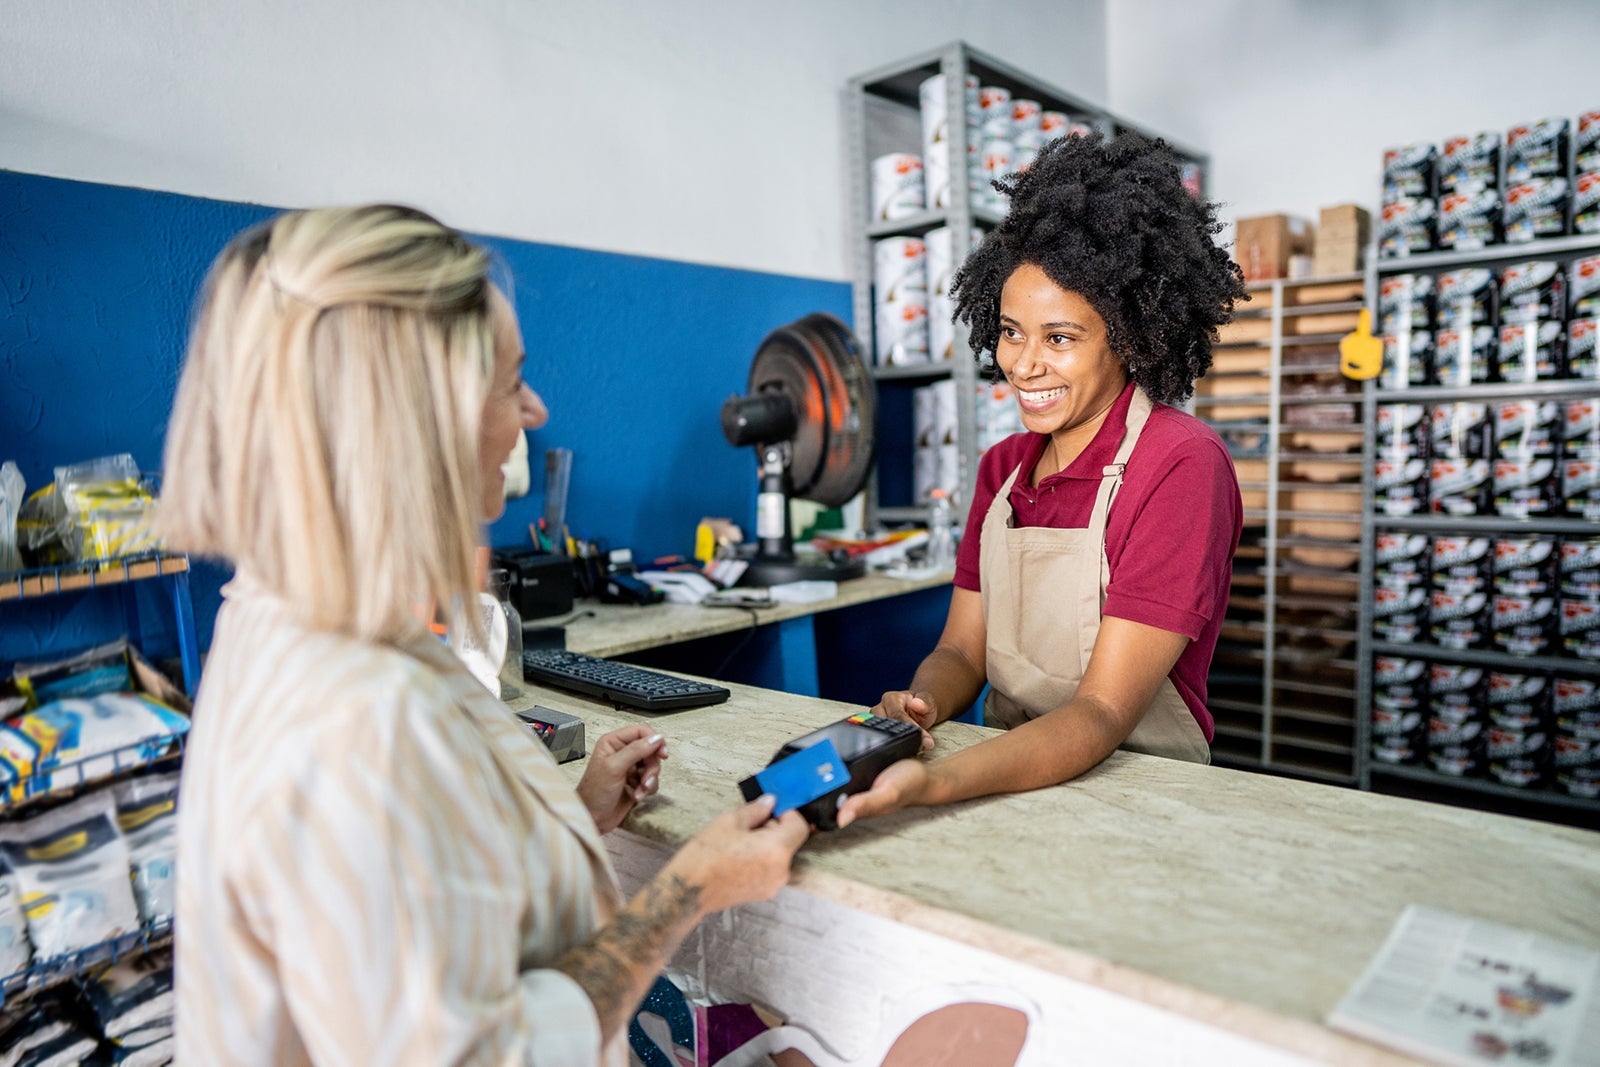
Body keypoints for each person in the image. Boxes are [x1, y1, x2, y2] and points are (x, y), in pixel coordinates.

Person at [161, 204, 809, 1065]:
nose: (534, 411)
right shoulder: (356, 715)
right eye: (511, 382)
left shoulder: (295, 617)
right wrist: (688, 890)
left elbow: (420, 906)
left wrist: (574, 812)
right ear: (417, 422)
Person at [840, 132, 1247, 828]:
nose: (1022, 365)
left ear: (1128, 337)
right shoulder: (1004, 470)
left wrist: (933, 784)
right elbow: (962, 649)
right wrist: (923, 703)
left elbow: (1103, 709)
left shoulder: (1180, 464)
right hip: (1008, 782)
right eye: (1010, 332)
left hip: (1139, 804)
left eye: (1059, 338)